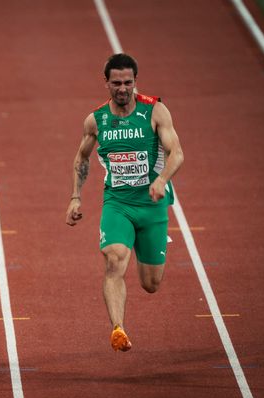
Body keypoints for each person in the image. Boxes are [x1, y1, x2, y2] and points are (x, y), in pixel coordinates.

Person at [65, 53, 184, 352]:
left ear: (135, 82)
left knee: (151, 284)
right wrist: (75, 197)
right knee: (114, 258)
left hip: (152, 205)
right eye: (116, 82)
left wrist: (161, 180)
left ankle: (149, 240)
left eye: (128, 82)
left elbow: (177, 153)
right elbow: (81, 157)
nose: (122, 88)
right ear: (106, 83)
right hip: (117, 203)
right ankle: (118, 328)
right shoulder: (96, 120)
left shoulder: (155, 111)